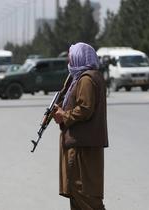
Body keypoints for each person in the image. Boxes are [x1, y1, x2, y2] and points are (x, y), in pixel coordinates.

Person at [53, 42, 108, 210]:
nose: (69, 61)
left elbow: (85, 108)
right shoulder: (86, 77)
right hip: (83, 143)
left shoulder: (86, 79)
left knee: (84, 192)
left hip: (82, 146)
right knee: (79, 194)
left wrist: (64, 115)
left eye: (71, 57)